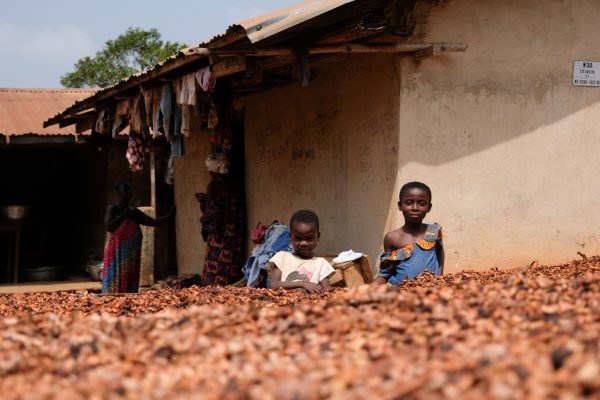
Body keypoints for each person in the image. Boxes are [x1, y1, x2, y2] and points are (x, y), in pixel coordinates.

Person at [102, 182, 174, 294]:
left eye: (129, 189)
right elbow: (109, 226)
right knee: (114, 277)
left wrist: (170, 215)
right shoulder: (113, 209)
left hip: (131, 256)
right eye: (125, 189)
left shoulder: (134, 212)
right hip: (116, 252)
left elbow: (153, 222)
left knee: (129, 277)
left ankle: (127, 298)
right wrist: (123, 215)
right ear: (118, 193)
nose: (128, 192)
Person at [373, 181, 444, 286]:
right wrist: (365, 289)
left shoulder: (433, 231)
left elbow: (440, 253)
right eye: (409, 202)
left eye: (421, 203)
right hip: (402, 295)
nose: (415, 208)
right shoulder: (392, 238)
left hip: (430, 292)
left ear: (429, 207)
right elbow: (385, 274)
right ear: (400, 205)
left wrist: (439, 278)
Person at [197, 153, 245, 285]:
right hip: (235, 230)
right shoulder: (235, 184)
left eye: (209, 168)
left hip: (220, 231)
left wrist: (204, 222)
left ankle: (212, 288)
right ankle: (230, 287)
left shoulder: (213, 186)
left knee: (215, 263)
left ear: (215, 168)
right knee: (231, 262)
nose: (208, 171)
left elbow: (210, 211)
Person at [268, 209, 335, 293]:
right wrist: (303, 284)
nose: (304, 243)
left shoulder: (321, 264)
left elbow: (327, 292)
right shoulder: (282, 257)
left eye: (309, 238)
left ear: (318, 237)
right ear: (290, 237)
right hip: (282, 304)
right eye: (298, 238)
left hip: (310, 305)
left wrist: (305, 292)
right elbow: (273, 285)